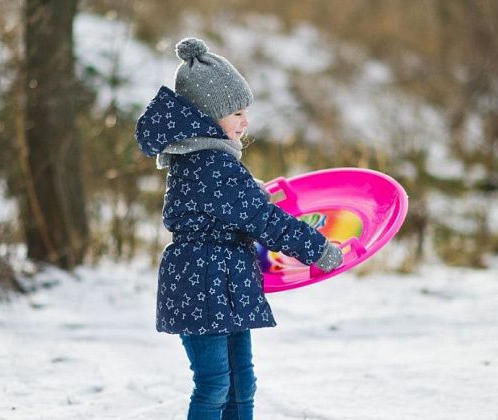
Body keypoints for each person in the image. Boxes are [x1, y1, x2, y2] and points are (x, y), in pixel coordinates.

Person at [134, 37, 343, 420]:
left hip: (221, 279)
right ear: (208, 116)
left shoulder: (206, 159)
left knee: (241, 383)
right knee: (215, 385)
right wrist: (317, 248)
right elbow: (264, 220)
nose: (245, 122)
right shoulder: (211, 163)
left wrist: (251, 192)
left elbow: (226, 204)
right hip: (203, 281)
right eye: (236, 113)